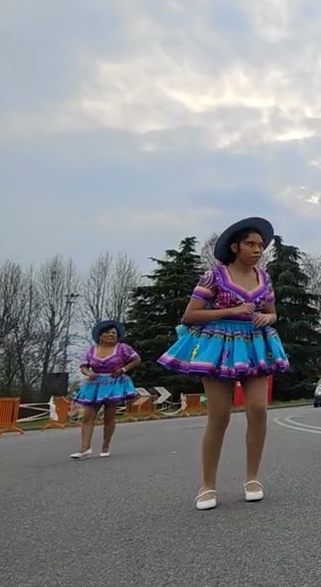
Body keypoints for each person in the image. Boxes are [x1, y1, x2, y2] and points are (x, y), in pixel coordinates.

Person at [157, 217, 289, 511]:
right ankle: (207, 485)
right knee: (219, 416)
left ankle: (252, 478)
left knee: (258, 409)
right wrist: (231, 310)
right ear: (235, 246)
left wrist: (268, 317)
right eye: (251, 244)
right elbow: (190, 315)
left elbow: (271, 311)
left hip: (255, 345)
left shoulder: (263, 278)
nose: (258, 250)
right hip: (219, 346)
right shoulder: (214, 276)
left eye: (261, 245)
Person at [70, 320, 141, 460]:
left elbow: (136, 359)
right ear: (100, 336)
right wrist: (89, 374)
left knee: (109, 417)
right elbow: (84, 366)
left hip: (114, 384)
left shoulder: (122, 348)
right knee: (88, 417)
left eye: (114, 333)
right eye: (108, 333)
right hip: (95, 385)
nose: (111, 335)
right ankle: (85, 448)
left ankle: (105, 445)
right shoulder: (92, 350)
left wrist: (123, 369)